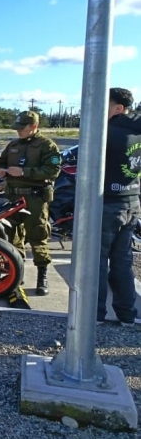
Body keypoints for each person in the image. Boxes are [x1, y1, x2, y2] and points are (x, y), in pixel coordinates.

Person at [0, 111, 61, 296]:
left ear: (34, 126)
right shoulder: (13, 145)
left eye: (22, 128)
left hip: (34, 198)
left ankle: (42, 275)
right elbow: (0, 163)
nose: (18, 132)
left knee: (38, 235)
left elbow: (53, 170)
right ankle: (17, 271)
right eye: (16, 128)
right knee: (11, 236)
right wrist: (0, 170)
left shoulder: (47, 146)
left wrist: (24, 172)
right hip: (12, 198)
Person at [98, 87, 141, 326]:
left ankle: (94, 315)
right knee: (123, 261)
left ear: (119, 108)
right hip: (132, 201)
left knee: (96, 262)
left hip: (107, 204)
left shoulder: (108, 132)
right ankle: (127, 315)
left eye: (106, 105)